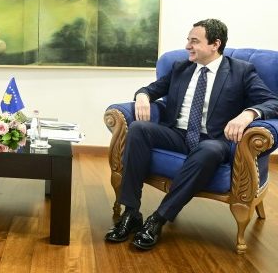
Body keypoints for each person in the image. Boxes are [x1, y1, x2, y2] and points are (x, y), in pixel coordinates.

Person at [104, 19, 278, 250]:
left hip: (214, 140)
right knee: (138, 128)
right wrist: (143, 96)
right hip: (177, 134)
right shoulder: (181, 68)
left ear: (215, 44)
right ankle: (131, 212)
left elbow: (272, 102)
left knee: (209, 150)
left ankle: (158, 219)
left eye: (194, 41)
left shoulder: (241, 71)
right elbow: (152, 89)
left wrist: (248, 114)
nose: (187, 46)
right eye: (188, 40)